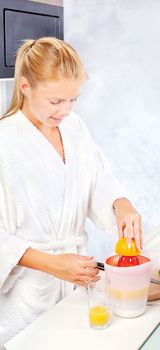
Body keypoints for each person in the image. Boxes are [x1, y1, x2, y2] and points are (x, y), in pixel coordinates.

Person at [0, 37, 142, 346]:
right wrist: (49, 262)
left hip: (77, 284)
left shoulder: (74, 127)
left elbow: (99, 178)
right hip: (27, 296)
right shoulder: (4, 141)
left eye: (73, 99)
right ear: (25, 87)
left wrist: (120, 202)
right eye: (55, 101)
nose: (66, 110)